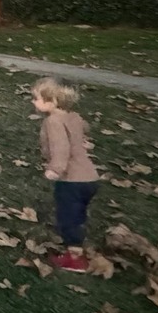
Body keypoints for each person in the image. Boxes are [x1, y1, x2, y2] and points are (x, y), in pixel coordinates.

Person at [31, 76, 100, 273]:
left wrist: (55, 169)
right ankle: (77, 244)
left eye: (36, 98)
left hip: (72, 179)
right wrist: (82, 141)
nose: (33, 101)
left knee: (68, 217)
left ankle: (75, 259)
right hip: (89, 177)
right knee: (76, 213)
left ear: (52, 101)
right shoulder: (74, 116)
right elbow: (84, 129)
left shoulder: (53, 121)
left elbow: (61, 147)